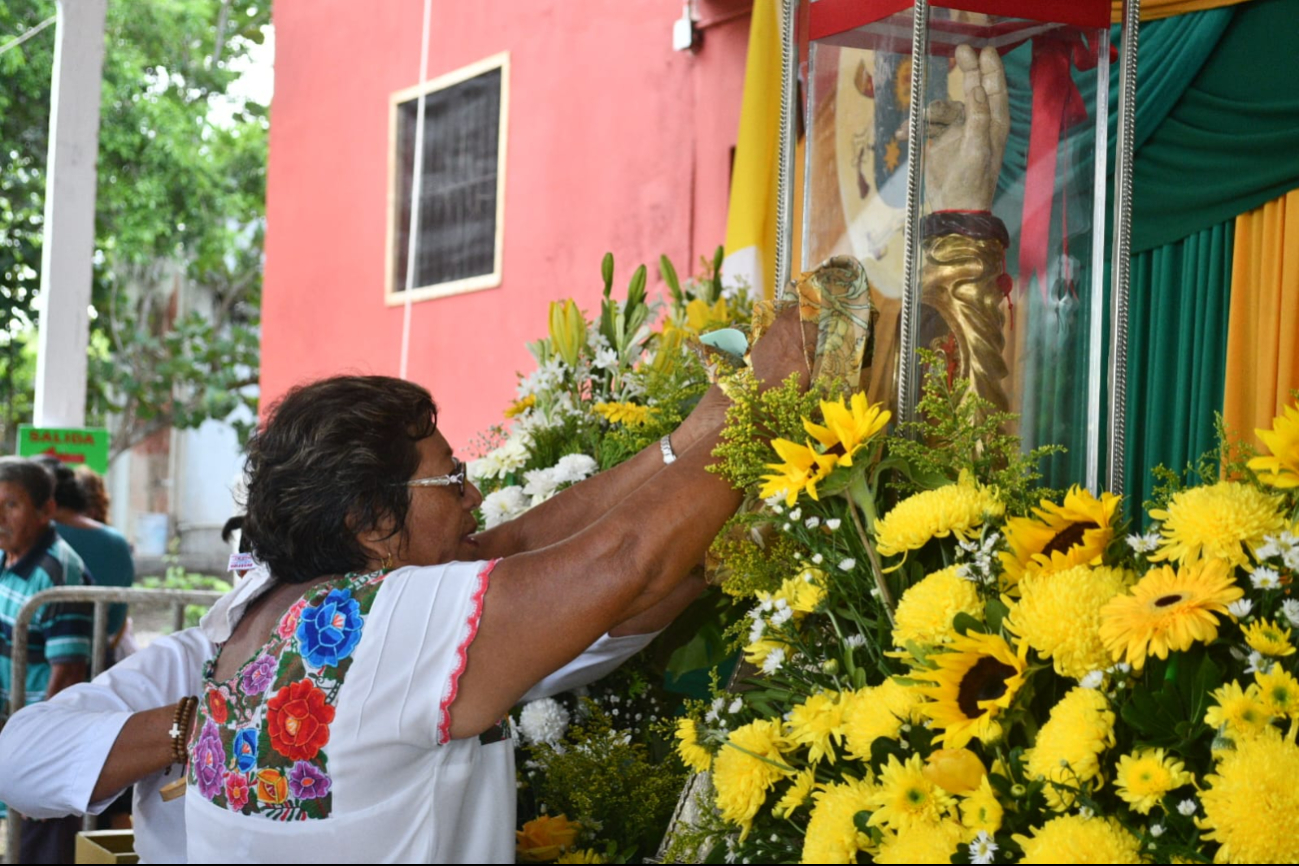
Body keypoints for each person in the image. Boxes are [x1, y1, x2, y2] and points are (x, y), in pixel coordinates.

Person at [0, 456, 93, 864]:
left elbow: (69, 676)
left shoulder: (59, 573)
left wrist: (30, 757)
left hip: (42, 743)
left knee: (38, 850)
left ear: (47, 510)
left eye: (11, 505)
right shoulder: (7, 557)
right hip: (11, 731)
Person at [34, 457, 136, 659]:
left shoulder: (34, 538)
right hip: (96, 661)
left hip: (36, 664)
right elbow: (115, 621)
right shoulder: (117, 542)